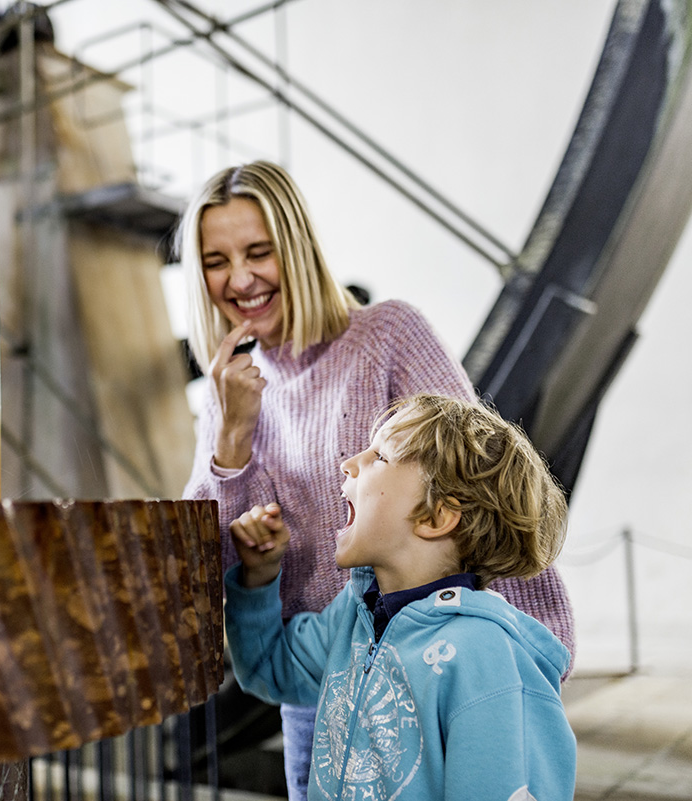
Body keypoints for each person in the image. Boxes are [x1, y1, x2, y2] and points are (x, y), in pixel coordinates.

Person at [178, 161, 575, 799]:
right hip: (324, 680)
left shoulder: (387, 335)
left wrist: (527, 653)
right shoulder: (227, 397)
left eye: (259, 251)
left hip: (439, 666)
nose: (242, 278)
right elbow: (208, 564)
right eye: (217, 261)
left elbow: (478, 486)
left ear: (298, 248)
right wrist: (230, 441)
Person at [224, 393, 577, 801]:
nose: (349, 463)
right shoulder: (354, 619)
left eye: (380, 457)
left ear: (435, 517)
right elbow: (269, 666)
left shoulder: (483, 656)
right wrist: (259, 577)